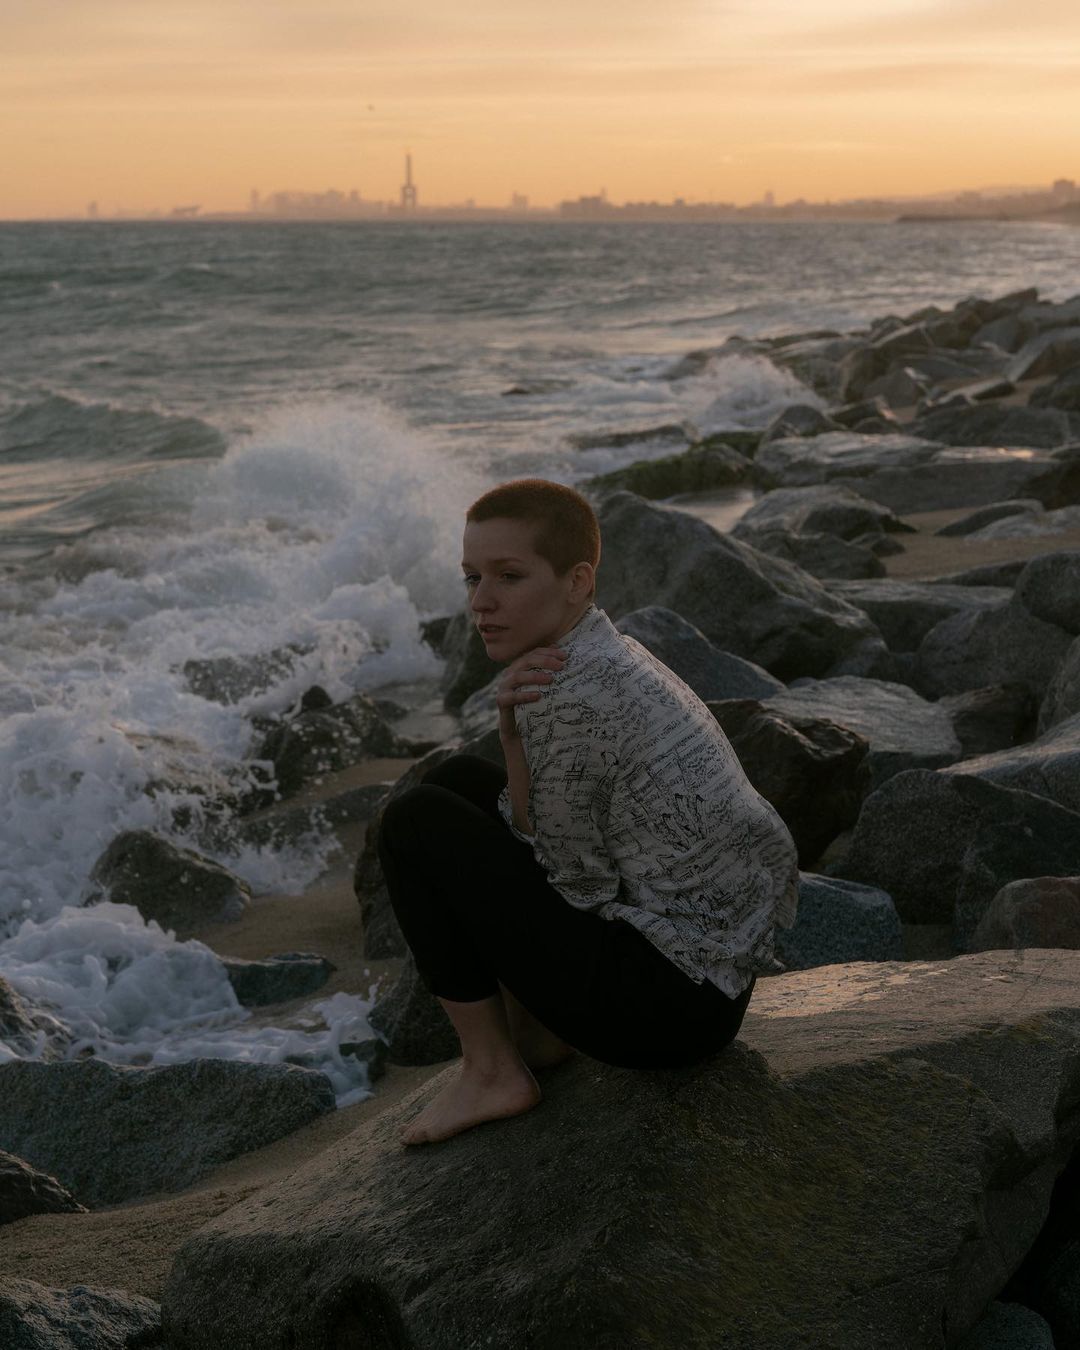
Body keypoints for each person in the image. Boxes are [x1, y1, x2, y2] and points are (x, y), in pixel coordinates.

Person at [377, 478, 798, 1145]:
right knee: (456, 781)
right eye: (472, 578)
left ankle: (492, 1072)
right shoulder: (606, 650)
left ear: (577, 581)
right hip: (708, 985)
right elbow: (559, 856)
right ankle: (537, 1038)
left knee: (413, 825)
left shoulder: (570, 699)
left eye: (509, 576)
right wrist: (511, 737)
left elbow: (574, 884)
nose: (481, 602)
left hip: (666, 1012)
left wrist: (521, 737)